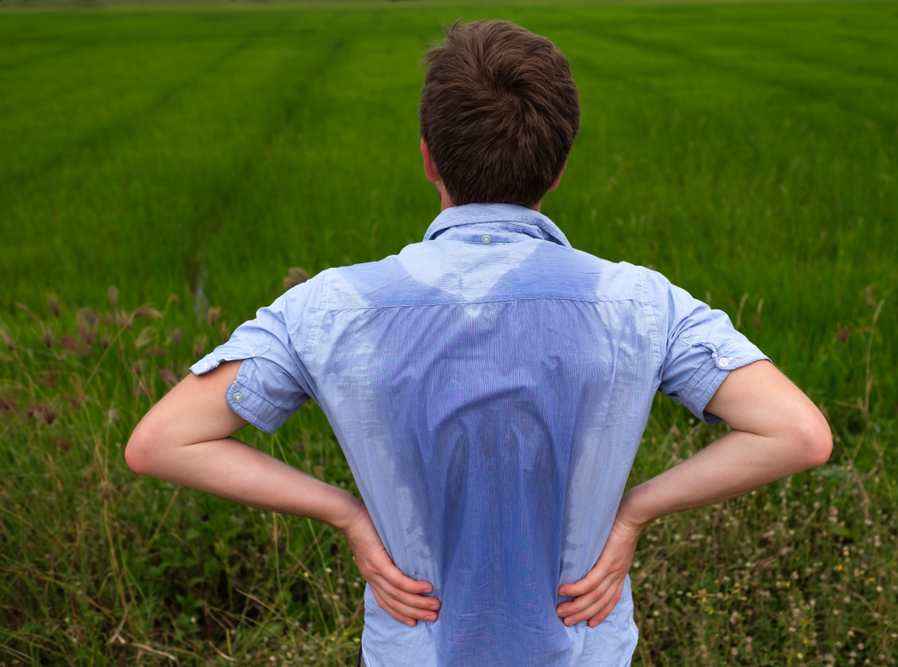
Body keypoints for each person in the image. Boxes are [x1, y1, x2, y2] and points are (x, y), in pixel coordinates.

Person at [125, 19, 832, 667]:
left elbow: (160, 442)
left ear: (429, 158)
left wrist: (345, 513)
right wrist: (632, 512)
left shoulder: (329, 306)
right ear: (557, 168)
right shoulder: (641, 303)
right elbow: (798, 433)